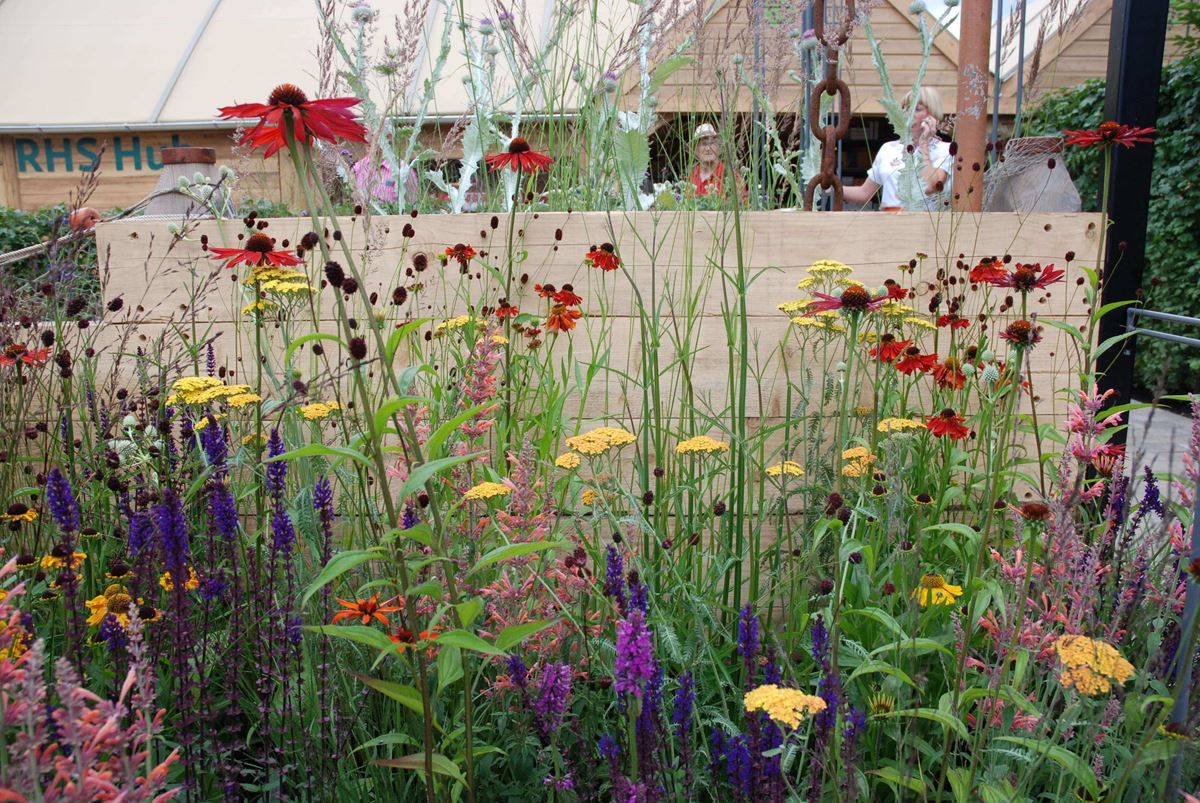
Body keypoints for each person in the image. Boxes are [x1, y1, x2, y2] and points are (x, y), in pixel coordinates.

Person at [841, 87, 951, 211]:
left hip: (924, 226)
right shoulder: (888, 148)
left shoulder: (945, 150)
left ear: (932, 115)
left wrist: (924, 144)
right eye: (905, 108)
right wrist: (832, 187)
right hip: (888, 225)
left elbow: (931, 186)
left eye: (917, 109)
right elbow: (865, 193)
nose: (908, 113)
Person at [687, 123, 745, 199]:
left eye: (711, 143)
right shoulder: (692, 176)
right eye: (704, 144)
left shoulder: (731, 176)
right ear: (696, 151)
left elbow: (743, 205)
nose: (708, 148)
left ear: (718, 147)